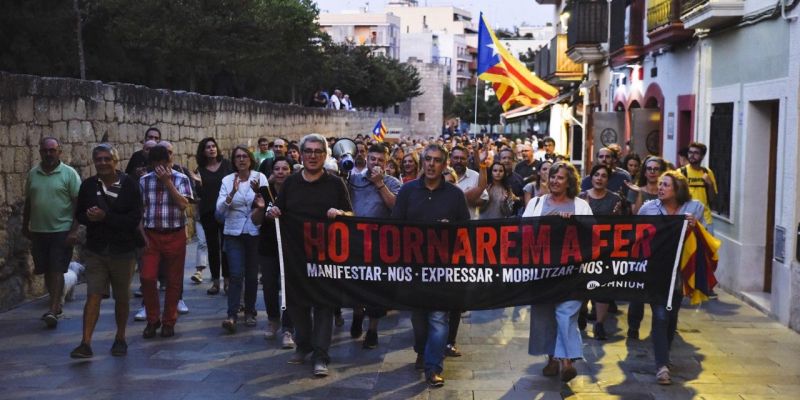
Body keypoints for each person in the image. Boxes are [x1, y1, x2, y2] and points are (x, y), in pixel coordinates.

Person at [266, 133, 353, 378]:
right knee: (297, 306)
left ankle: (321, 355)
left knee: (324, 307)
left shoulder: (336, 183)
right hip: (295, 258)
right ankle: (303, 345)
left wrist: (341, 214)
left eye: (318, 152)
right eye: (309, 151)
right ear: (301, 155)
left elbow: (351, 215)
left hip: (326, 259)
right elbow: (279, 209)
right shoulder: (291, 183)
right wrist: (273, 211)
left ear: (325, 156)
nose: (313, 156)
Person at [392, 144, 471, 388]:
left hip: (443, 268)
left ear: (444, 164)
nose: (431, 164)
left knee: (438, 318)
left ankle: (434, 366)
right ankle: (422, 349)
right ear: (422, 162)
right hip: (414, 267)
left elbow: (466, 229)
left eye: (437, 160)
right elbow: (395, 225)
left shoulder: (455, 194)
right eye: (428, 159)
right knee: (419, 319)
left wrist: (450, 229)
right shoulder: (407, 191)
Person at [522, 161, 592, 383]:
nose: (554, 181)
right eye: (552, 177)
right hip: (542, 272)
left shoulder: (581, 206)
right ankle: (552, 358)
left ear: (569, 181)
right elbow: (522, 232)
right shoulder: (536, 203)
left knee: (566, 314)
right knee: (544, 318)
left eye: (560, 177)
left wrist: (575, 223)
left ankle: (567, 361)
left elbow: (594, 235)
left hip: (572, 273)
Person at [70, 144, 142, 358]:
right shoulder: (89, 186)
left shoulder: (130, 186)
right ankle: (85, 342)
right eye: (98, 159)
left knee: (122, 297)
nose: (102, 163)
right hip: (96, 250)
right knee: (93, 294)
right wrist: (89, 216)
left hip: (123, 250)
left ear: (115, 161)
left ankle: (120, 337)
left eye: (106, 159)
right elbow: (80, 214)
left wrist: (105, 217)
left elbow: (133, 219)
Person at [637, 171, 704, 385]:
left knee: (671, 316)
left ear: (678, 189)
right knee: (660, 316)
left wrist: (695, 225)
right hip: (655, 270)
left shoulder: (693, 208)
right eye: (660, 184)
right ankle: (662, 365)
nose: (660, 188)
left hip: (679, 273)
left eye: (666, 184)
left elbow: (701, 237)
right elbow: (635, 234)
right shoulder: (648, 209)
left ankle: (663, 353)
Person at [347, 143, 403, 349]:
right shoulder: (354, 180)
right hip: (356, 241)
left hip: (380, 244)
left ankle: (373, 329)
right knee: (356, 284)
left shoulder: (393, 183)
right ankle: (357, 313)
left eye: (380, 160)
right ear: (366, 159)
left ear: (386, 163)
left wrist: (380, 184)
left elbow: (395, 207)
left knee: (376, 288)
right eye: (372, 159)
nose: (375, 163)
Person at [23, 137, 82, 328]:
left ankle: (54, 308)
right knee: (46, 270)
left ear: (59, 151)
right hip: (39, 231)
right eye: (45, 151)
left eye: (52, 150)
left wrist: (74, 230)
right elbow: (28, 203)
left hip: (61, 231)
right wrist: (25, 226)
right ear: (40, 152)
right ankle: (55, 305)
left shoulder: (69, 174)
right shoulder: (33, 174)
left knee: (56, 269)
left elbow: (78, 205)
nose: (48, 154)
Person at [139, 145, 193, 339]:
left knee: (173, 280)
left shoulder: (181, 179)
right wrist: (143, 235)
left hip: (175, 233)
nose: (161, 168)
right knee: (147, 276)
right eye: (157, 164)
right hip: (152, 234)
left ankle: (169, 321)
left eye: (165, 164)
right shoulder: (144, 181)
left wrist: (168, 183)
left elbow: (183, 205)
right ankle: (153, 319)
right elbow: (140, 210)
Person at [217, 145, 268, 333]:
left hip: (253, 231)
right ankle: (231, 314)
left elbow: (267, 202)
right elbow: (220, 210)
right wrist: (232, 192)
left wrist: (258, 195)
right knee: (236, 274)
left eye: (244, 156)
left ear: (250, 159)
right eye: (237, 156)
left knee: (252, 275)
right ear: (233, 160)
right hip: (233, 232)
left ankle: (250, 311)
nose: (241, 160)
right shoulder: (227, 180)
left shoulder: (260, 177)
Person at [251, 156, 296, 349]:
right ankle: (273, 320)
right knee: (269, 285)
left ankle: (288, 328)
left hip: (290, 246)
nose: (280, 172)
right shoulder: (263, 191)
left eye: (284, 169)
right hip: (268, 246)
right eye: (277, 169)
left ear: (290, 171)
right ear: (272, 172)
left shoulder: (297, 191)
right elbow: (255, 220)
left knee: (288, 287)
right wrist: (261, 209)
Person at [577, 165, 622, 340]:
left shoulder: (615, 199)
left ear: (607, 179)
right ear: (591, 176)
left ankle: (600, 323)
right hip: (584, 248)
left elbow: (620, 225)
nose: (599, 178)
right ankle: (581, 312)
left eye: (603, 176)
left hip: (605, 249)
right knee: (582, 285)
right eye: (596, 175)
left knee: (602, 287)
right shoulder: (581, 197)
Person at [195, 138, 233, 295]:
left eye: (213, 146)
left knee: (226, 246)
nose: (211, 149)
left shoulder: (227, 165)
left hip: (225, 211)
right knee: (212, 247)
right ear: (203, 151)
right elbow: (199, 195)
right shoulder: (200, 170)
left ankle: (228, 280)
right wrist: (198, 183)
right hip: (208, 212)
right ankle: (215, 281)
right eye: (208, 147)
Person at [679, 142, 718, 233]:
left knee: (706, 247)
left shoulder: (707, 172)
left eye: (696, 153)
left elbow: (712, 199)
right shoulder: (680, 173)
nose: (692, 155)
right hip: (685, 218)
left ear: (702, 156)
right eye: (690, 152)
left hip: (705, 219)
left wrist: (710, 184)